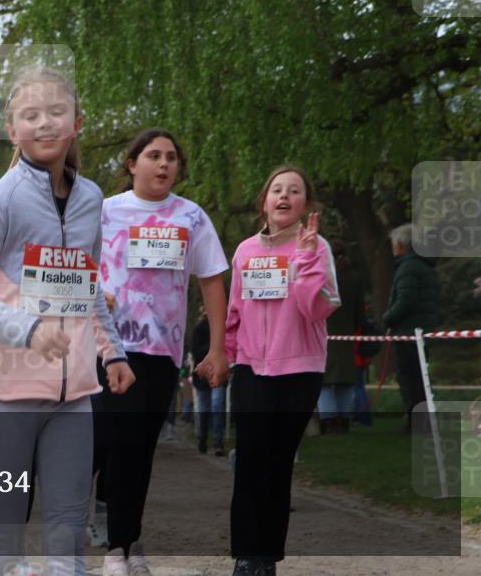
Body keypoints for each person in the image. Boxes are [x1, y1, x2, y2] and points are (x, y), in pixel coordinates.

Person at [0, 66, 135, 576]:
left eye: (56, 112)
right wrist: (27, 331)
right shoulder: (1, 198)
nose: (45, 123)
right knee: (3, 547)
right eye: (31, 115)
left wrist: (112, 351)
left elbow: (87, 285)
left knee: (68, 541)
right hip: (6, 395)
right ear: (13, 130)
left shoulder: (91, 199)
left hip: (74, 398)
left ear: (77, 122)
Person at [97, 128, 229, 576]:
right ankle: (115, 545)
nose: (164, 163)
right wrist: (94, 292)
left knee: (140, 450)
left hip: (163, 351)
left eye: (171, 157)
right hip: (110, 346)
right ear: (132, 163)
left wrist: (217, 348)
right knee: (115, 444)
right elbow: (76, 262)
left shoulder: (191, 216)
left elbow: (211, 280)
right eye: (153, 155)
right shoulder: (104, 211)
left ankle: (129, 542)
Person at [224, 166, 340, 576]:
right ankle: (246, 556)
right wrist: (224, 355)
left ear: (306, 204)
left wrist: (305, 259)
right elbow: (234, 311)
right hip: (251, 369)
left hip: (299, 370)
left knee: (277, 462)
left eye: (294, 190)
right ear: (264, 201)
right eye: (277, 189)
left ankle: (267, 556)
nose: (285, 196)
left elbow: (318, 308)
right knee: (250, 460)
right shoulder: (244, 251)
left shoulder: (317, 247)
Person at [382, 223, 442, 433]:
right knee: (420, 378)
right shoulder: (424, 266)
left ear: (400, 245)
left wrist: (387, 318)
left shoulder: (408, 267)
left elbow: (405, 301)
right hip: (422, 330)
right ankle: (422, 421)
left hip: (408, 332)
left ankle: (416, 423)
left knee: (410, 379)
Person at [320, 241, 364, 435]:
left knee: (325, 381)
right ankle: (345, 421)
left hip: (323, 333)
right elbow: (359, 313)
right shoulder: (354, 278)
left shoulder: (322, 277)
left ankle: (329, 422)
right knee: (345, 380)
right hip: (346, 335)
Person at [191, 306, 228, 456]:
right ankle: (203, 439)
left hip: (218, 373)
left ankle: (218, 443)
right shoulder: (199, 328)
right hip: (203, 375)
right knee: (204, 409)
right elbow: (195, 351)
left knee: (217, 406)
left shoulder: (224, 327)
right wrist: (213, 348)